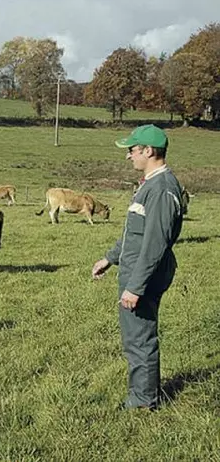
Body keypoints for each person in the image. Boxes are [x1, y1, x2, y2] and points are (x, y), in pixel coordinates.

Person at [92, 124, 184, 410]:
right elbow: (135, 233)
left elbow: (155, 244)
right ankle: (145, 394)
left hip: (142, 276)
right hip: (134, 271)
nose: (128, 156)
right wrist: (110, 258)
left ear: (148, 151)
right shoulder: (150, 185)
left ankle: (143, 402)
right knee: (137, 336)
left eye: (132, 150)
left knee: (140, 339)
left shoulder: (162, 188)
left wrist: (135, 287)